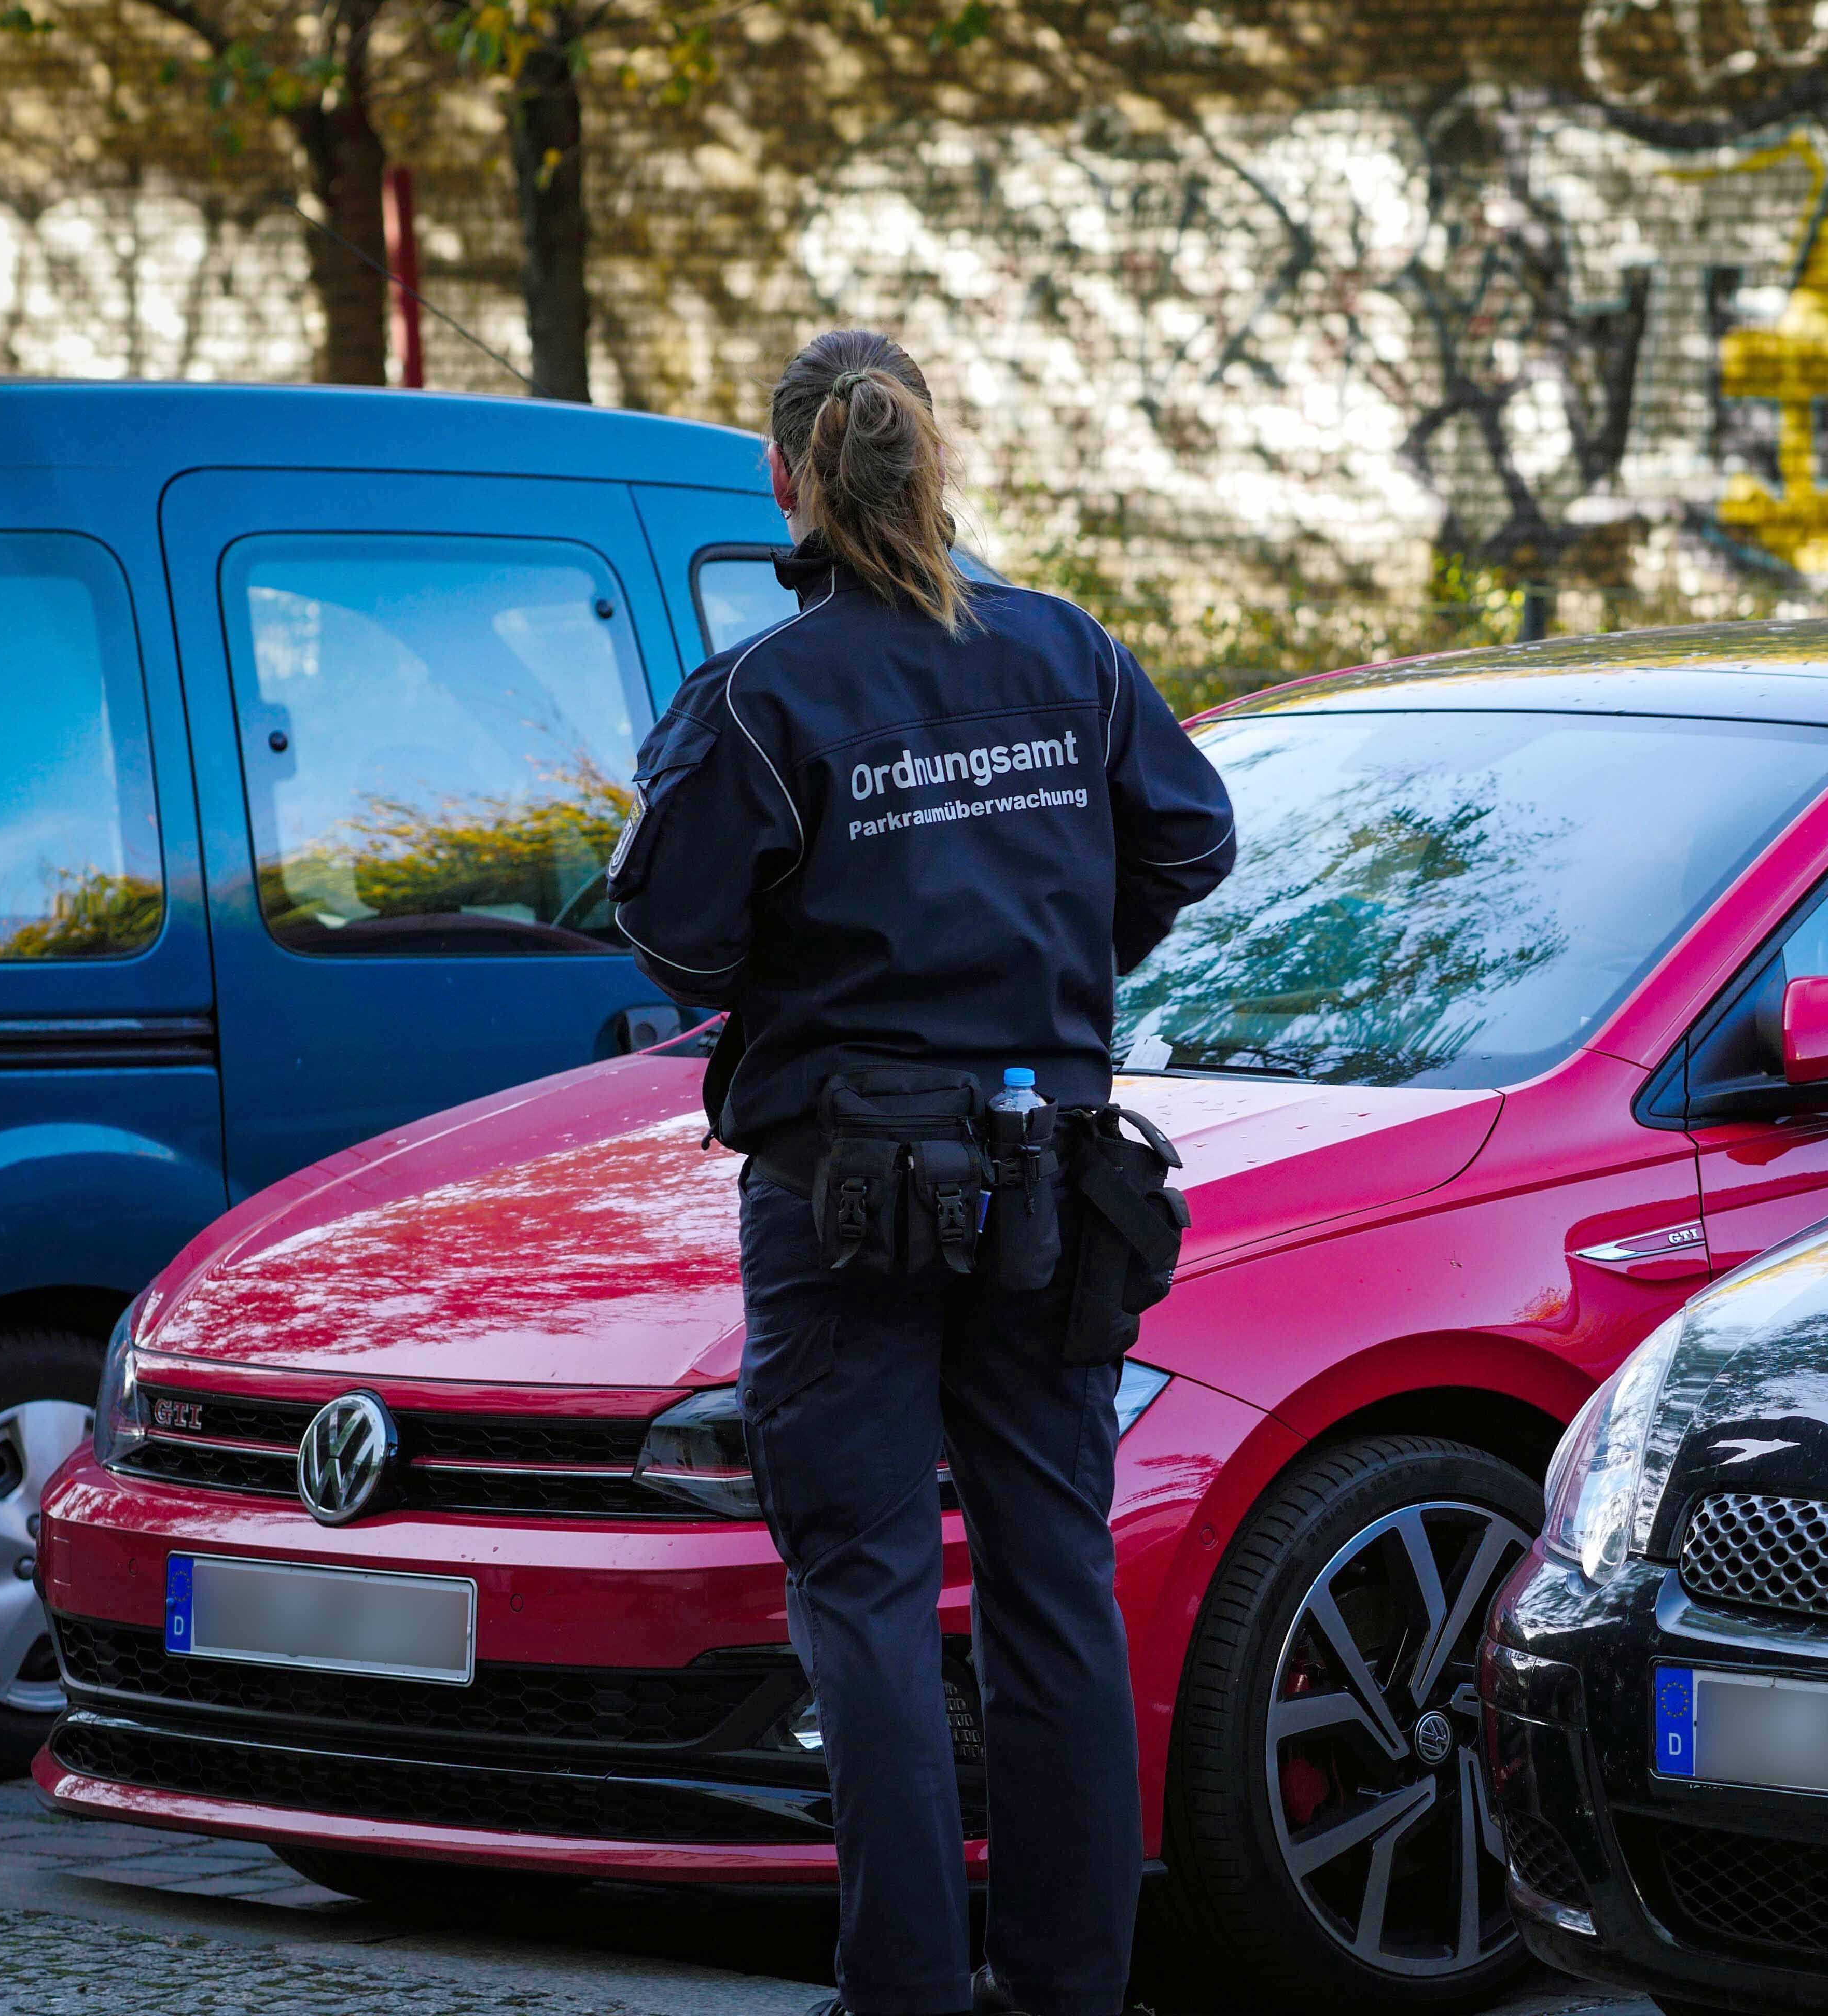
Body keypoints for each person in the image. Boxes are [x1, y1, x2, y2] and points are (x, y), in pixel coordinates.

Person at [606, 328, 1235, 2016]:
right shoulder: (1071, 655)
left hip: (842, 1197)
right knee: (1052, 1583)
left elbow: (674, 932)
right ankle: (1067, 1989)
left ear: (785, 480)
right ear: (933, 460)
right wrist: (1059, 954)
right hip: (1052, 1177)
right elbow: (1193, 837)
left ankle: (900, 1994)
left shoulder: (763, 696)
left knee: (869, 1596)